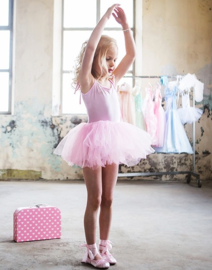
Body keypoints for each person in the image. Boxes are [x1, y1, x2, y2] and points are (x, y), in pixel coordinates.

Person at [54, 4, 154, 269]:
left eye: (114, 59)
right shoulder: (88, 82)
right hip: (92, 141)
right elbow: (89, 48)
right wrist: (104, 18)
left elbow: (131, 54)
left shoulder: (113, 81)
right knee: (95, 198)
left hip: (114, 139)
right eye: (108, 58)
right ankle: (89, 251)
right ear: (98, 57)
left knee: (109, 198)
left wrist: (125, 26)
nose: (112, 64)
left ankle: (104, 247)